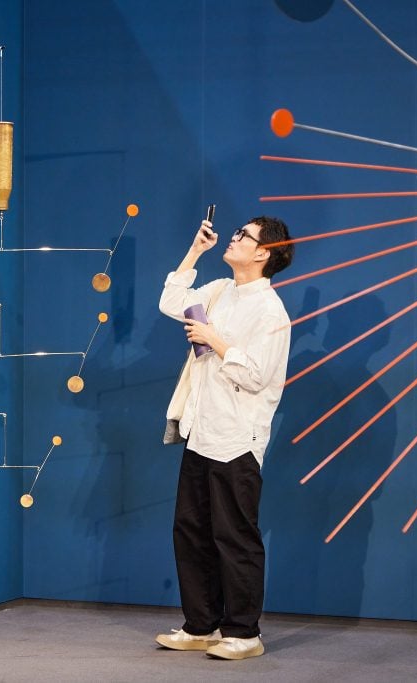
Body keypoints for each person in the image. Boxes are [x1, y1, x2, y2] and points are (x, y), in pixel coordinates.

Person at [155, 214, 294, 660]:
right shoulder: (217, 289)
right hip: (200, 430)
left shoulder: (271, 311)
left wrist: (215, 340)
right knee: (191, 531)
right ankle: (201, 625)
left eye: (243, 236)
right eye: (235, 233)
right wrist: (195, 250)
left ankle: (244, 632)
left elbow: (257, 376)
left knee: (235, 536)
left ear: (263, 253)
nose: (232, 239)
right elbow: (170, 301)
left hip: (237, 439)